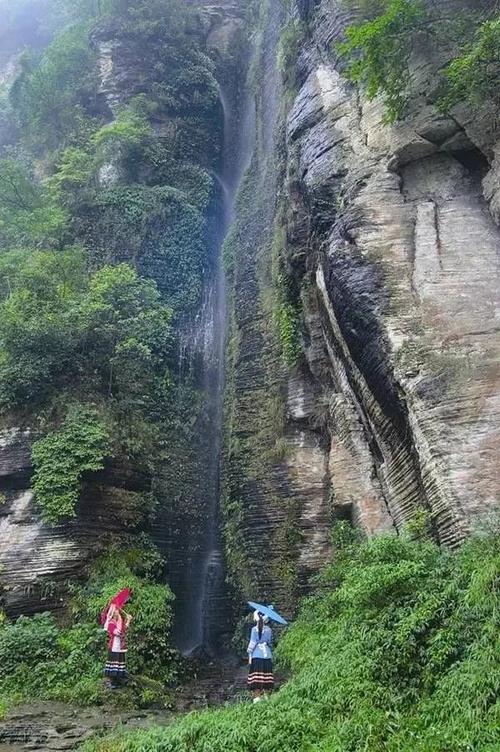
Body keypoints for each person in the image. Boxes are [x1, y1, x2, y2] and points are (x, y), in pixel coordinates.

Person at [103, 603, 132, 689]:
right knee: (114, 663)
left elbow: (124, 630)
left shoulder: (119, 621)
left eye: (117, 610)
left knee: (120, 662)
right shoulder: (111, 623)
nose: (117, 611)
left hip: (120, 646)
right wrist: (128, 622)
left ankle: (119, 680)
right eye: (115, 610)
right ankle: (113, 682)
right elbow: (118, 632)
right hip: (114, 646)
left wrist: (127, 621)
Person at [247, 610, 274, 702]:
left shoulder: (254, 629)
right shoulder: (269, 630)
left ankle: (257, 698)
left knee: (256, 679)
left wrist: (249, 654)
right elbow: (269, 642)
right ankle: (267, 697)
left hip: (257, 655)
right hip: (267, 656)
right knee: (266, 677)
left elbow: (252, 643)